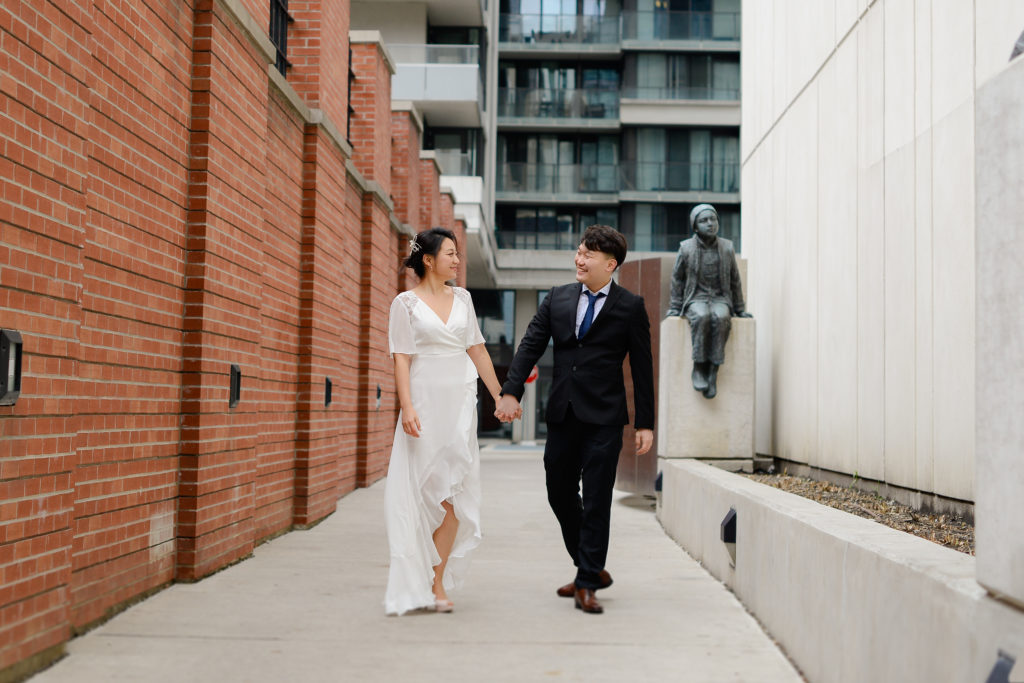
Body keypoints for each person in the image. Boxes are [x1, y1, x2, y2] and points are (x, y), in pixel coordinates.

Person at [495, 225, 655, 615]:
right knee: (559, 492)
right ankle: (591, 566)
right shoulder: (558, 298)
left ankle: (586, 582)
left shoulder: (630, 307)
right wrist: (511, 390)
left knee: (598, 499)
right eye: (579, 251)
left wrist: (645, 422)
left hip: (604, 418)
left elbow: (642, 368)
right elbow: (531, 343)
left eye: (588, 255)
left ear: (610, 264)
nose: (578, 259)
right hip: (564, 413)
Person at [384, 227, 510, 615]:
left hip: (459, 406)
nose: (457, 261)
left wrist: (499, 395)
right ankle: (416, 575)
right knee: (423, 495)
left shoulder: (463, 298)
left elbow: (477, 349)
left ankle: (436, 582)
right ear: (428, 259)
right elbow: (402, 357)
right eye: (450, 254)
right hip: (423, 403)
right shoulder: (404, 304)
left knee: (453, 498)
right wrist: (407, 407)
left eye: (458, 254)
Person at [665, 204, 751, 399]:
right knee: (702, 317)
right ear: (695, 227)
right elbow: (677, 279)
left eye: (713, 219)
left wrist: (739, 308)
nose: (710, 224)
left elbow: (735, 279)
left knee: (721, 318)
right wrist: (675, 307)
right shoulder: (686, 248)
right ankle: (699, 366)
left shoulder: (727, 247)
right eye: (704, 221)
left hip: (720, 298)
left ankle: (713, 371)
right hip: (696, 297)